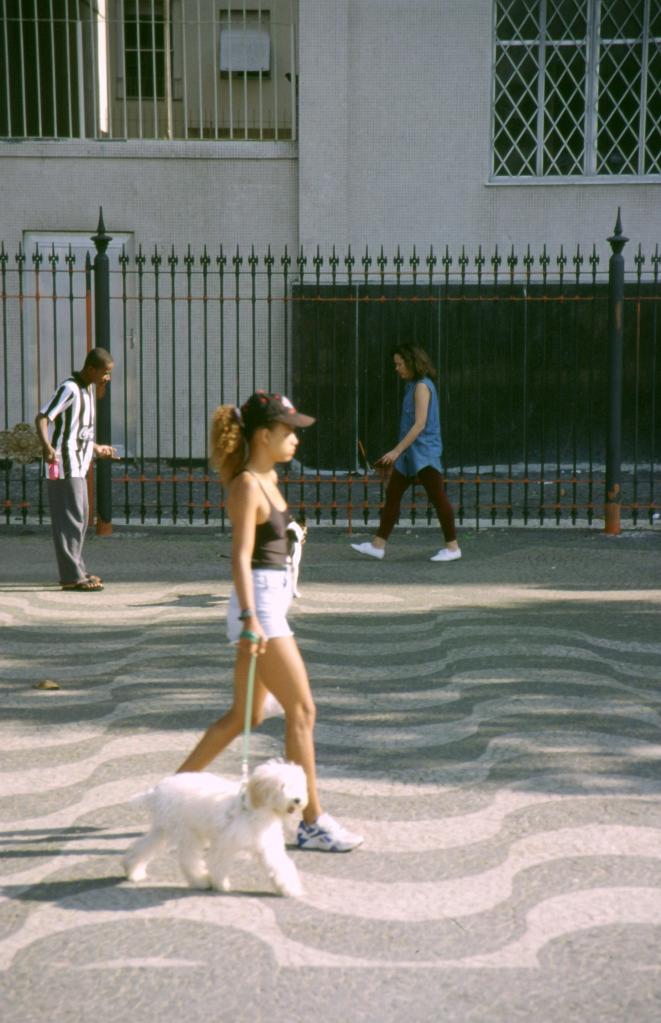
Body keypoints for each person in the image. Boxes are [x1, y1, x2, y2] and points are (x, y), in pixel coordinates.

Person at [176, 391, 363, 853]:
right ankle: (312, 822)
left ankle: (171, 793)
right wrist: (250, 618)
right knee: (302, 711)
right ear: (263, 435)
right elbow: (240, 558)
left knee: (245, 715)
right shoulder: (246, 485)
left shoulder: (269, 477)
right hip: (259, 608)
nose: (296, 438)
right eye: (288, 430)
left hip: (270, 602)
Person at [351, 343, 461, 562]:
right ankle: (377, 546)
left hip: (424, 453)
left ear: (412, 363)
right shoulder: (413, 386)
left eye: (400, 364)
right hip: (412, 454)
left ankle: (453, 548)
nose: (397, 368)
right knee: (393, 495)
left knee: (438, 497)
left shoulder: (421, 387)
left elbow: (419, 424)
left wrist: (396, 451)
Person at [35, 347, 116, 591]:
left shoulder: (87, 390)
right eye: (105, 372)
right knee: (70, 520)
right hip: (63, 464)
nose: (107, 377)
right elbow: (42, 417)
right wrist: (47, 446)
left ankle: (77, 570)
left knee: (80, 519)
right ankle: (71, 577)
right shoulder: (69, 388)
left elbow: (78, 432)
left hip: (79, 464)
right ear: (91, 368)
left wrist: (97, 448)